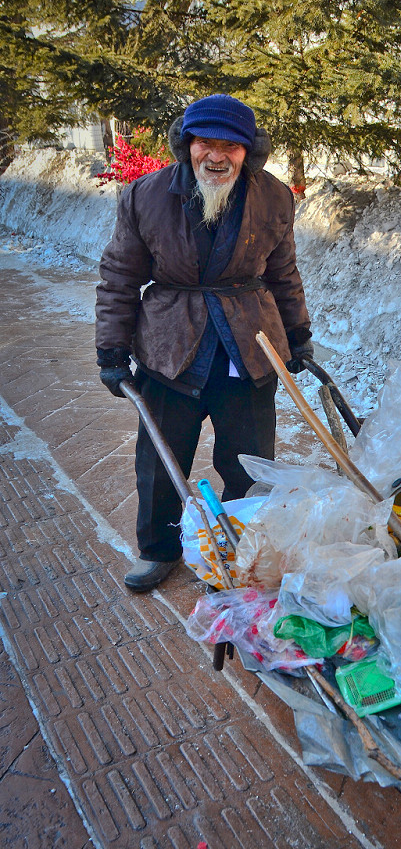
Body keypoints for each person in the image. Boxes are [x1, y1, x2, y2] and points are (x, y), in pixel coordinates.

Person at [95, 94, 313, 592]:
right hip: (171, 350)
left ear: (247, 151)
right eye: (205, 143)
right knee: (159, 461)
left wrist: (299, 336)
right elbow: (119, 278)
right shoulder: (144, 197)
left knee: (250, 460)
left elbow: (284, 273)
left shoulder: (274, 197)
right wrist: (111, 351)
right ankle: (159, 551)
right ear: (186, 145)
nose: (217, 156)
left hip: (248, 347)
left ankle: (243, 552)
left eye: (230, 146)